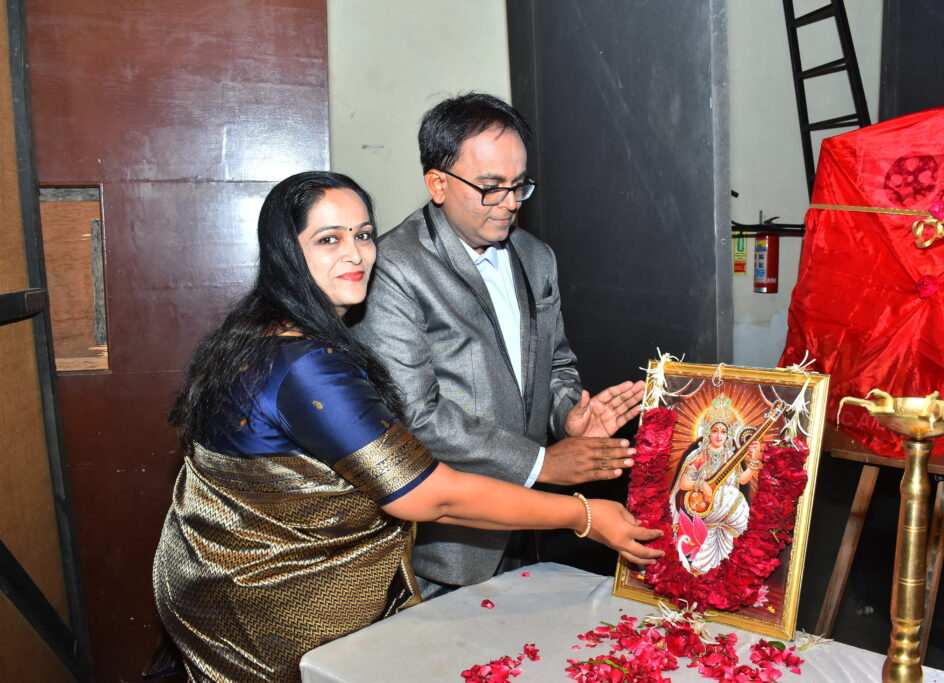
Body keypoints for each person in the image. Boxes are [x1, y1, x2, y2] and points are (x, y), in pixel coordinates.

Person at [151, 171, 662, 682]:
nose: (356, 254)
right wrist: (583, 515)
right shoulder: (307, 366)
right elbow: (430, 497)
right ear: (287, 252)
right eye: (329, 239)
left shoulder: (263, 333)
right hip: (279, 610)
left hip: (219, 585)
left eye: (363, 234)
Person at [349, 93, 645, 596]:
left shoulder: (536, 256)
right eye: (490, 188)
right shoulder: (395, 267)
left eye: (519, 185)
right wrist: (542, 463)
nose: (510, 203)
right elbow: (415, 416)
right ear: (437, 183)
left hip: (533, 531)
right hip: (446, 547)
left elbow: (556, 363)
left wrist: (569, 416)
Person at [668, 393, 761, 574]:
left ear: (729, 434)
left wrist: (754, 459)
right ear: (708, 432)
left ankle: (716, 570)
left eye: (723, 432)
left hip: (725, 507)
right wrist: (702, 485)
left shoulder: (730, 456)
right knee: (736, 499)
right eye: (715, 430)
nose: (719, 436)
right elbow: (685, 483)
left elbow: (741, 480)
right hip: (702, 505)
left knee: (735, 500)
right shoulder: (699, 455)